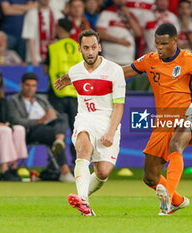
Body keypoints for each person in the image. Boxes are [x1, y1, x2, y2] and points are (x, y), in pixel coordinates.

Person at [55, 23, 192, 215]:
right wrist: (77, 76)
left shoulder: (189, 59)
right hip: (164, 119)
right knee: (150, 177)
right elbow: (119, 73)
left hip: (191, 112)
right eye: (157, 43)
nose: (159, 47)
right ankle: (177, 201)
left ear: (175, 41)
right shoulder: (150, 60)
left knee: (176, 145)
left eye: (164, 43)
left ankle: (167, 200)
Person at [58, 29, 126, 216]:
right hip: (85, 118)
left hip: (107, 120)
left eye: (93, 47)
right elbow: (74, 78)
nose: (90, 52)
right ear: (79, 49)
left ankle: (82, 196)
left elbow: (119, 106)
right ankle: (84, 204)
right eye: (86, 47)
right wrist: (66, 80)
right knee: (83, 150)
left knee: (103, 172)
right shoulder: (75, 71)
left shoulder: (115, 70)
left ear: (100, 48)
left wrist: (111, 132)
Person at [8, 72, 74, 182]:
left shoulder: (40, 98)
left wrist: (53, 115)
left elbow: (53, 113)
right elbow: (15, 120)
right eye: (27, 85)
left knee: (63, 117)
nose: (30, 88)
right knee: (55, 133)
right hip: (30, 131)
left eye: (33, 86)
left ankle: (59, 140)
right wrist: (40, 121)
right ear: (21, 85)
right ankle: (65, 170)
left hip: (49, 127)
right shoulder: (14, 100)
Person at [45, 18, 83, 163]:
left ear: (59, 28)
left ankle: (57, 166)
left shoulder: (53, 48)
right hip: (76, 94)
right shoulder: (78, 47)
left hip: (57, 93)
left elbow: (46, 70)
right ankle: (78, 165)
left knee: (57, 130)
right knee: (77, 131)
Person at [0, 67, 28, 181]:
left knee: (19, 129)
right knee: (6, 131)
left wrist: (6, 123)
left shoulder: (1, 97)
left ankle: (14, 167)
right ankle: (4, 169)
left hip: (0, 127)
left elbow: (6, 117)